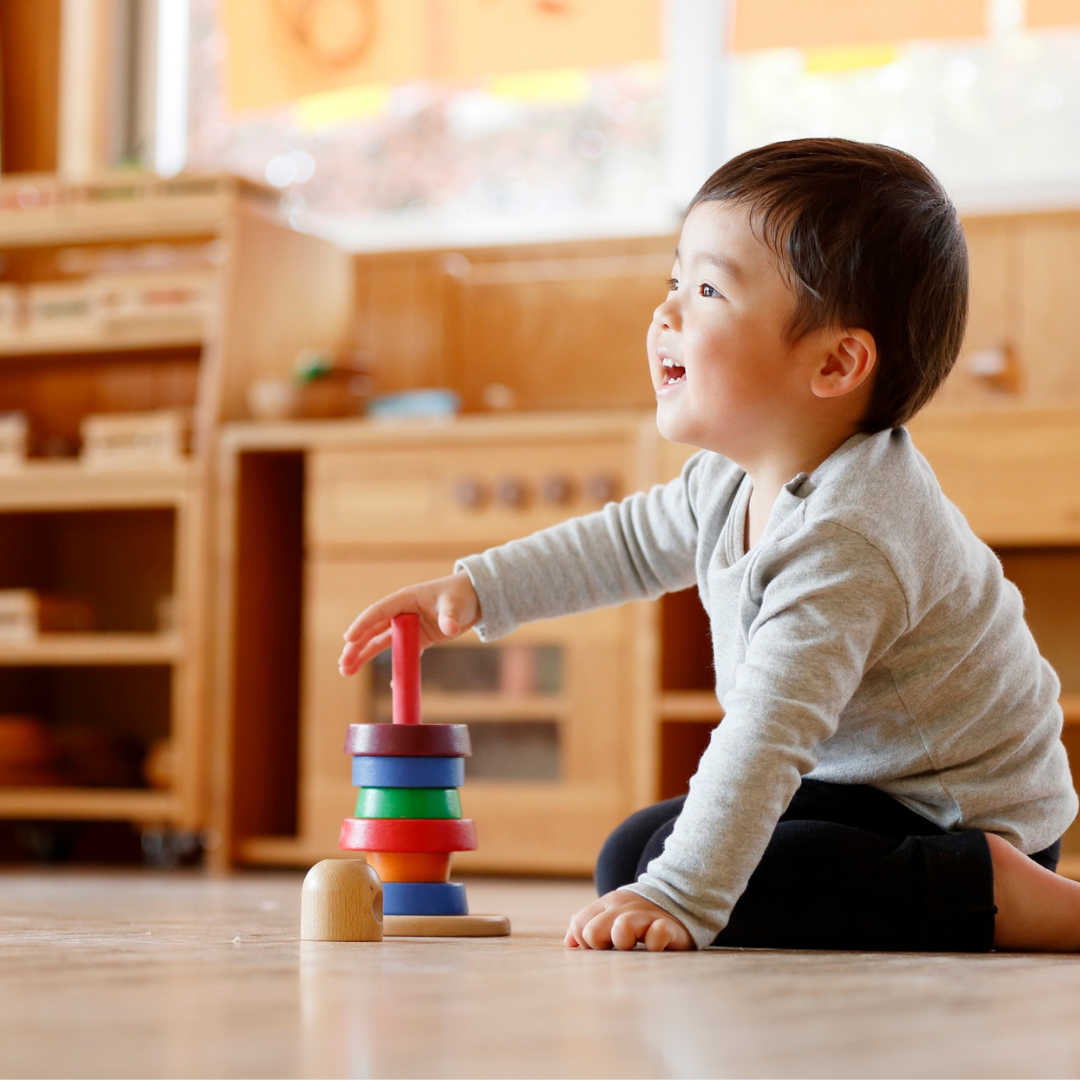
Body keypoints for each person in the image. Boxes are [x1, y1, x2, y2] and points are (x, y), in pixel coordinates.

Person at [339, 138, 1080, 953]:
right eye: (672, 282)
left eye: (706, 289)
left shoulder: (852, 532)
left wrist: (686, 894)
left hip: (955, 814)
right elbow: (621, 545)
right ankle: (934, 884)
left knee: (718, 884)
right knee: (633, 854)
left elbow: (768, 732)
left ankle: (1011, 894)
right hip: (857, 790)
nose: (665, 315)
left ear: (835, 362)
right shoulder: (727, 478)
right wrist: (474, 591)